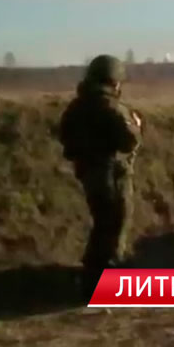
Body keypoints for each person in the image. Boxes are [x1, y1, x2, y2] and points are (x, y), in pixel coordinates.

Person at [58, 55, 143, 299]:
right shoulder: (111, 107)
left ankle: (92, 277)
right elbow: (130, 140)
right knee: (116, 223)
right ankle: (106, 282)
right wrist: (136, 124)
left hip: (89, 174)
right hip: (112, 175)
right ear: (113, 81)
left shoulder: (76, 106)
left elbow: (66, 139)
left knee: (102, 224)